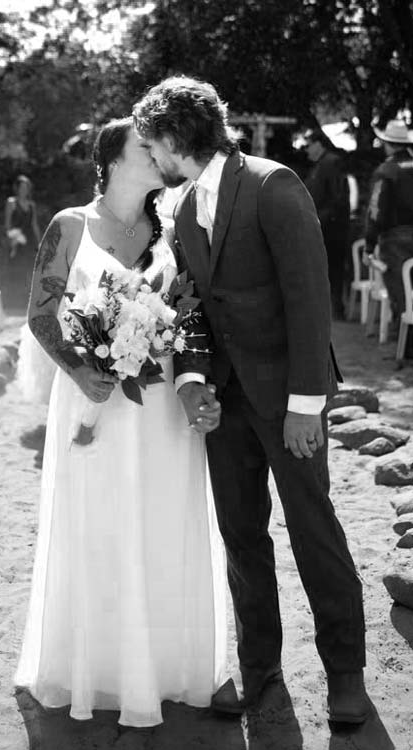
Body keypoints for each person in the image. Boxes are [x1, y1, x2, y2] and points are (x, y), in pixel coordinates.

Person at [133, 77, 368, 724]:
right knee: (241, 539)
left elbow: (309, 299)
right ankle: (261, 672)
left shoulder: (272, 185)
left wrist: (303, 406)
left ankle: (346, 674)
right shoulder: (179, 211)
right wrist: (191, 381)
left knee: (314, 532)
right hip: (225, 407)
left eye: (153, 145)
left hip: (286, 400)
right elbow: (192, 312)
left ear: (177, 139)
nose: (150, 159)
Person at [14, 117, 228, 727]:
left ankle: (162, 666)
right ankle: (101, 667)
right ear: (111, 160)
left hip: (159, 408)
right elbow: (41, 312)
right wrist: (82, 370)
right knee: (100, 522)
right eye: (145, 146)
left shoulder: (174, 229)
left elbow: (187, 317)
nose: (158, 155)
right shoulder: (70, 226)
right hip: (95, 400)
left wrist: (189, 383)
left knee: (162, 520)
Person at [365, 119, 413, 327]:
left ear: (387, 143)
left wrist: (369, 243)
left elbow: (376, 210)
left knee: (400, 292)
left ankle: (407, 345)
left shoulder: (385, 171)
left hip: (396, 240)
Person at [302, 129, 351, 319]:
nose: (306, 150)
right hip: (322, 225)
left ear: (318, 144)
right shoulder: (320, 164)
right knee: (324, 269)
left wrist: (320, 218)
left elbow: (338, 198)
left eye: (308, 146)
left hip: (332, 228)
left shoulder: (331, 162)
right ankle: (329, 309)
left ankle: (336, 308)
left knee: (333, 269)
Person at [4, 175, 41, 261]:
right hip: (16, 240)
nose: (24, 190)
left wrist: (39, 243)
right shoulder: (11, 202)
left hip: (30, 241)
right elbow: (7, 224)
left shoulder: (32, 205)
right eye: (22, 187)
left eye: (26, 188)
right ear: (17, 188)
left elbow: (34, 225)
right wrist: (12, 241)